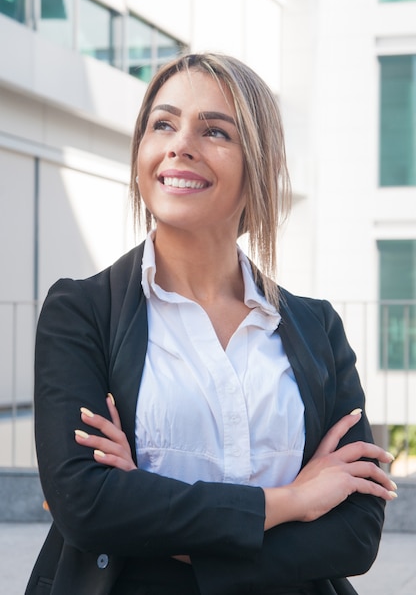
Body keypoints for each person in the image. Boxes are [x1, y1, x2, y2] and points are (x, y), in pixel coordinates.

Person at [26, 52, 397, 595]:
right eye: (163, 124)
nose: (180, 144)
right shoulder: (80, 313)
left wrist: (150, 508)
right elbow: (87, 505)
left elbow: (357, 532)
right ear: (140, 154)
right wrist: (291, 501)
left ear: (258, 165)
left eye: (215, 131)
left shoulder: (317, 327)